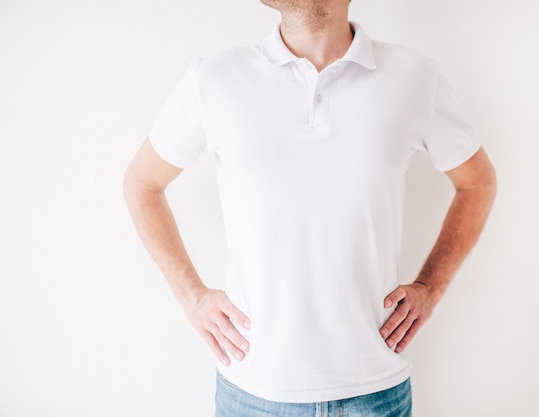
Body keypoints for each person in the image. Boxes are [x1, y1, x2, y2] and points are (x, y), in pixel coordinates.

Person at [123, 0, 497, 415]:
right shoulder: (215, 79)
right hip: (252, 392)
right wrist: (192, 296)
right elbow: (142, 183)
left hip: (375, 393)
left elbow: (477, 182)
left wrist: (431, 286)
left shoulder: (414, 77)